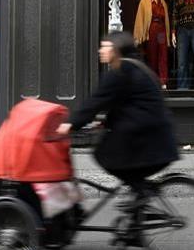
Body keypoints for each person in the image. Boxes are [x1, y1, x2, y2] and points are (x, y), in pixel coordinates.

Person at [57, 32, 179, 204]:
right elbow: (129, 105)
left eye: (105, 47)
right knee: (123, 164)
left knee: (103, 155)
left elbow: (96, 102)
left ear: (116, 51)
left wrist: (70, 124)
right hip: (158, 140)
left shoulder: (121, 71)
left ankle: (141, 192)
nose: (101, 51)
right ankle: (139, 199)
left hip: (150, 143)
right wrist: (106, 122)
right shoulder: (136, 67)